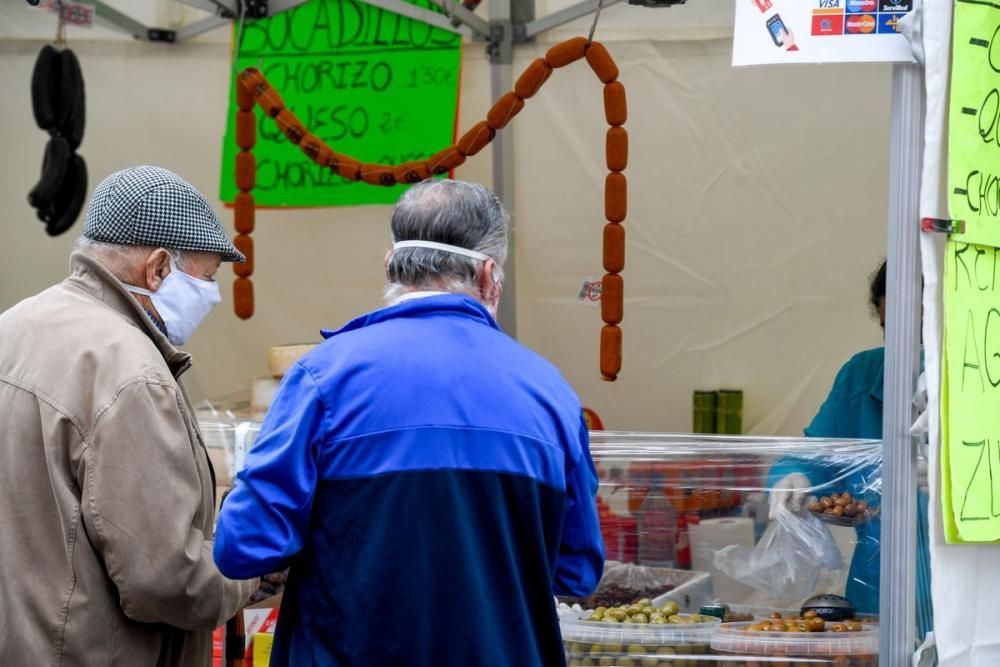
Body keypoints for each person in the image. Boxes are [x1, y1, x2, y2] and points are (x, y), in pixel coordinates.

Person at [214, 179, 605, 666]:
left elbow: (244, 547)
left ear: (390, 265)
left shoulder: (322, 378)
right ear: (489, 276)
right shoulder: (551, 396)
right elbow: (577, 573)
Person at [0, 166, 257, 666]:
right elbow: (166, 580)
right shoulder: (129, 371)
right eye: (206, 278)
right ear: (158, 268)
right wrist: (246, 575)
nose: (213, 295)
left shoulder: (12, 326)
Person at [769, 259, 932, 638]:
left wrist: (960, 480)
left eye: (924, 331)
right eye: (892, 330)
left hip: (975, 600)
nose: (909, 347)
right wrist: (793, 477)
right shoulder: (862, 378)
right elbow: (817, 459)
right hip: (878, 598)